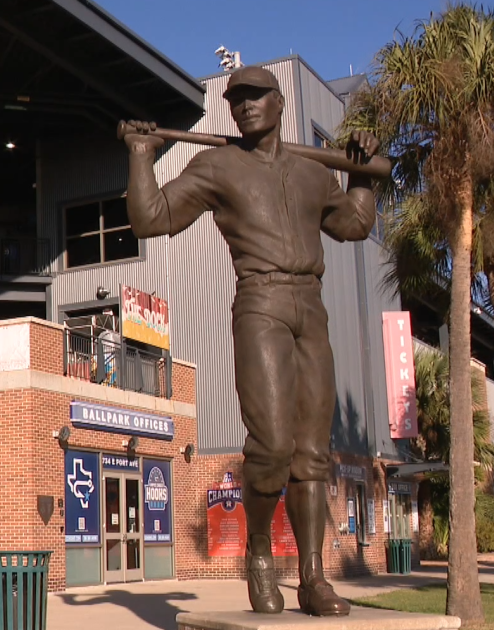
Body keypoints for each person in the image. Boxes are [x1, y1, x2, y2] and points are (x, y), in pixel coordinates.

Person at [121, 65, 379, 617]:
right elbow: (151, 218)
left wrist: (363, 175)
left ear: (280, 102)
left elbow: (354, 225)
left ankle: (312, 579)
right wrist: (142, 155)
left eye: (256, 96)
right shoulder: (218, 165)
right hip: (260, 301)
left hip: (312, 305)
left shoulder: (313, 172)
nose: (245, 106)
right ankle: (259, 547)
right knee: (271, 448)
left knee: (312, 453)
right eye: (236, 99)